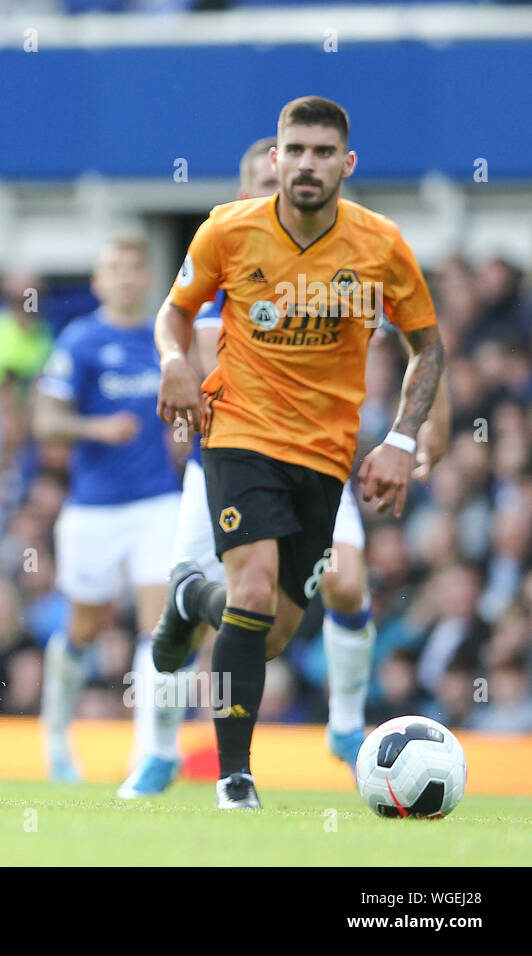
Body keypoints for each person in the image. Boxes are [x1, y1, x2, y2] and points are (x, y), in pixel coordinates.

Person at [120, 136, 451, 798]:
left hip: (320, 459)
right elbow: (180, 341)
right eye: (269, 178)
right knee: (223, 604)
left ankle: (345, 723)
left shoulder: (346, 270)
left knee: (335, 591)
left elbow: (418, 348)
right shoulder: (225, 269)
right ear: (249, 192)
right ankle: (161, 753)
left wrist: (420, 431)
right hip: (228, 461)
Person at [33, 235, 180, 783]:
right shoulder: (81, 340)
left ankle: (150, 754)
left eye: (132, 269)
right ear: (98, 281)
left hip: (158, 502)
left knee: (162, 627)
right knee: (85, 626)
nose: (123, 278)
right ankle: (56, 736)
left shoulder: (164, 341)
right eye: (112, 268)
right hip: (93, 508)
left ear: (145, 279)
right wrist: (97, 427)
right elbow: (45, 421)